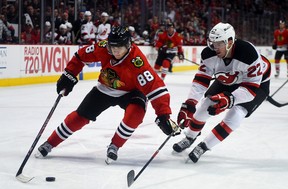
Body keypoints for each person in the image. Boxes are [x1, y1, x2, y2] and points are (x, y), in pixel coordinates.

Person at [35, 26, 179, 163]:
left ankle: (115, 145)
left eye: (119, 48)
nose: (115, 51)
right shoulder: (104, 47)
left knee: (136, 114)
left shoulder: (137, 61)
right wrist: (69, 74)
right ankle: (50, 143)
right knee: (79, 117)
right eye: (113, 47)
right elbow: (80, 56)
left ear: (128, 45)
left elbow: (155, 87)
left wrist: (163, 115)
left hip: (131, 92)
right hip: (104, 88)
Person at [172, 22, 271, 163]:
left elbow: (250, 89)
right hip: (230, 77)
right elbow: (200, 81)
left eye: (219, 43)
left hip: (256, 85)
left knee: (237, 113)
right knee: (205, 106)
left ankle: (204, 146)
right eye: (212, 43)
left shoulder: (248, 54)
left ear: (230, 41)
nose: (214, 47)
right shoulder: (208, 54)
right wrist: (190, 103)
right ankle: (189, 137)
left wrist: (230, 100)